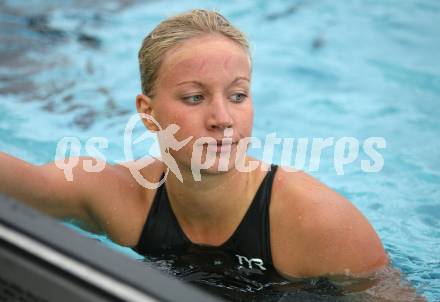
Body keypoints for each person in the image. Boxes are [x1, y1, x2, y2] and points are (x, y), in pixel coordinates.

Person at [0, 8, 389, 291]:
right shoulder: (120, 198)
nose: (223, 118)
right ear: (148, 113)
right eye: (194, 97)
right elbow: (19, 184)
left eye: (238, 95)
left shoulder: (317, 223)